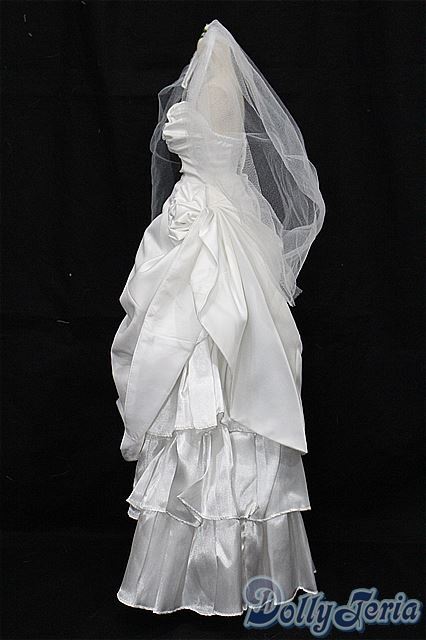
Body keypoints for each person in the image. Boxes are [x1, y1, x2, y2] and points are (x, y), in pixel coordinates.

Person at [111, 18, 325, 616]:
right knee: (189, 375)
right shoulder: (208, 88)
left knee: (221, 363)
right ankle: (197, 570)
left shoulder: (218, 91)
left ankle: (226, 569)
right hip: (193, 223)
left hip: (215, 229)